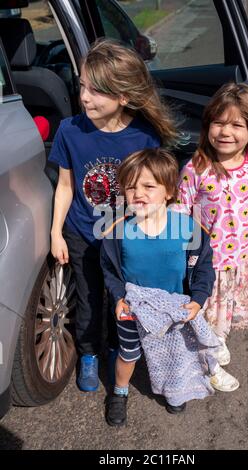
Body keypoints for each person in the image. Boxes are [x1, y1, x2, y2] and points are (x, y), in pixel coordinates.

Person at [49, 38, 177, 392]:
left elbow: (153, 194)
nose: (85, 97)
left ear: (123, 97)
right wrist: (55, 233)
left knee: (122, 299)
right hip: (82, 233)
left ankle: (115, 348)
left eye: (96, 91)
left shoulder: (144, 137)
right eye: (83, 87)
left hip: (125, 238)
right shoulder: (70, 131)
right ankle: (88, 352)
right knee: (88, 298)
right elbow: (65, 187)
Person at [100, 148, 239, 427]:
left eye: (148, 186)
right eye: (130, 187)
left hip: (175, 309)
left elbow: (203, 269)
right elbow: (111, 272)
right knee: (128, 354)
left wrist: (198, 300)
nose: (138, 193)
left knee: (176, 353)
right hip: (133, 307)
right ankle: (120, 391)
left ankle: (176, 392)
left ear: (169, 191)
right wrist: (118, 297)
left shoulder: (188, 229)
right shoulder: (117, 233)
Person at [176, 82, 248, 369]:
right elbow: (180, 211)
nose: (225, 132)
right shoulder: (195, 168)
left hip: (239, 259)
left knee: (227, 309)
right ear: (207, 124)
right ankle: (206, 360)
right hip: (207, 261)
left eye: (237, 125)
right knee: (207, 312)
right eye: (218, 122)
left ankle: (214, 342)